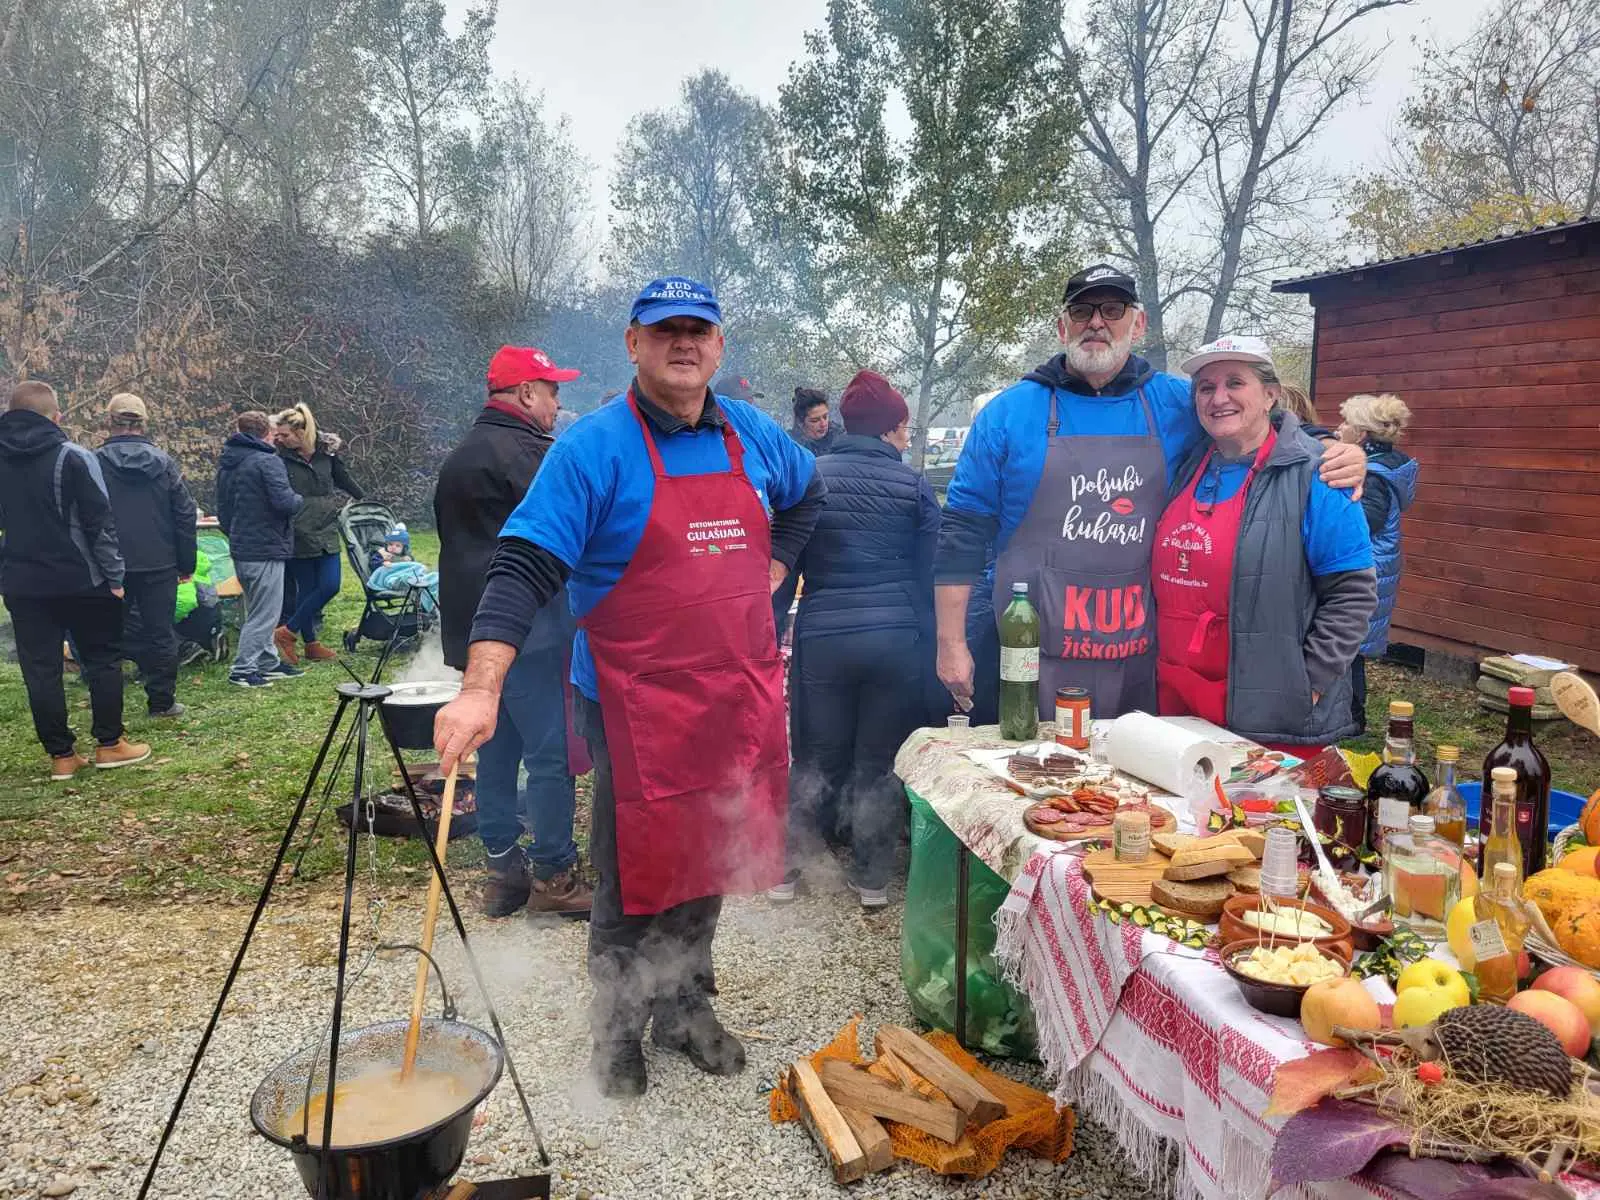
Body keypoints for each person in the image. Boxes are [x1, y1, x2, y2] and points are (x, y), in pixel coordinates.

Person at [433, 276, 824, 1098]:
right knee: (633, 864)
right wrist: (480, 685)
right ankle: (616, 1031)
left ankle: (683, 1005)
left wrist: (774, 570)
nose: (684, 343)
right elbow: (523, 563)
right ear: (633, 344)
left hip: (730, 692)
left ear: (719, 345)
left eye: (699, 330)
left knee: (711, 849)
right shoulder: (593, 448)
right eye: (664, 330)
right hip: (631, 699)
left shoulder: (752, 434)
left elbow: (807, 496)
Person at [934, 264, 1368, 721]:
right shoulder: (1007, 414)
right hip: (1031, 655)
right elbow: (960, 534)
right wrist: (951, 645)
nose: (1096, 322)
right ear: (1063, 327)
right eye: (1081, 311)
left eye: (1112, 309)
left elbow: (1254, 421)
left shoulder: (1176, 402)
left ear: (1137, 324)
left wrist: (1330, 448)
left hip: (1144, 664)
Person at [1151, 337, 1376, 750]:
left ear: (1271, 394)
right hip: (1179, 703)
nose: (1219, 398)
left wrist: (1306, 682)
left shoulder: (1319, 475)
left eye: (1235, 383)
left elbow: (1352, 594)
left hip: (1272, 717)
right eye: (1206, 387)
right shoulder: (1186, 467)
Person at [771, 370, 940, 910]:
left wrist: (770, 629)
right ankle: (870, 880)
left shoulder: (810, 476)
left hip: (824, 636)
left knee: (814, 756)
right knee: (878, 760)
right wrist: (933, 643)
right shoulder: (915, 487)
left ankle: (788, 869)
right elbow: (931, 575)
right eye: (906, 425)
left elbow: (781, 563)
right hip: (895, 642)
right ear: (891, 427)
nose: (908, 436)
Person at [434, 344, 592, 919]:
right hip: (530, 632)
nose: (556, 403)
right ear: (527, 393)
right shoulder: (531, 455)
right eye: (552, 391)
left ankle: (503, 870)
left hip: (472, 638)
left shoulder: (461, 456)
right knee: (549, 756)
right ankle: (554, 874)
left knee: (496, 751)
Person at [0, 381, 150, 777]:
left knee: (40, 669)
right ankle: (110, 743)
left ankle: (61, 756)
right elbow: (100, 523)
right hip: (83, 579)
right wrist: (115, 576)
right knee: (102, 659)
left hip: (22, 582)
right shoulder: (74, 457)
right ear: (56, 417)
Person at [96, 393, 198, 719]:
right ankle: (162, 703)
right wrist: (186, 563)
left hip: (110, 564)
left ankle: (110, 712)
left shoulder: (92, 463)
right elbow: (184, 515)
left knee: (107, 635)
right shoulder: (166, 464)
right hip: (160, 563)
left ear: (108, 422)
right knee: (161, 633)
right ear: (143, 423)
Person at [1338, 392, 1417, 733]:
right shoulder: (1386, 468)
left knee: (1346, 645)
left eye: (1346, 423)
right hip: (1378, 566)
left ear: (1362, 434)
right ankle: (1351, 714)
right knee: (1350, 647)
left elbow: (1361, 523)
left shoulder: (1372, 476)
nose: (1338, 428)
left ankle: (1352, 718)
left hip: (1365, 567)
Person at [216, 410, 305, 688]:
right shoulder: (268, 462)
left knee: (257, 606)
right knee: (264, 614)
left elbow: (223, 509)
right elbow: (285, 503)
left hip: (242, 546)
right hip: (265, 546)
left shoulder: (228, 463)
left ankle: (267, 662)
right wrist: (299, 498)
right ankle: (243, 669)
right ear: (266, 432)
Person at [271, 403, 363, 663]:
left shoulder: (327, 456)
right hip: (297, 531)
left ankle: (288, 632)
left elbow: (345, 480)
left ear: (301, 432)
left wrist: (365, 501)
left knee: (330, 585)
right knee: (307, 588)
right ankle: (311, 644)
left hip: (325, 528)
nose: (280, 438)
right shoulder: (279, 459)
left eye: (285, 434)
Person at [173, 548, 224, 665]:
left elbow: (187, 602)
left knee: (163, 627)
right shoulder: (201, 572)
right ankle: (214, 640)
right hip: (213, 615)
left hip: (195, 621)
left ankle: (189, 648)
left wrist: (171, 619)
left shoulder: (183, 573)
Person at [788, 386, 840, 455]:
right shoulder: (790, 445)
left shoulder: (839, 436)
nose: (823, 424)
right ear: (800, 422)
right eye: (815, 420)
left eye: (825, 417)